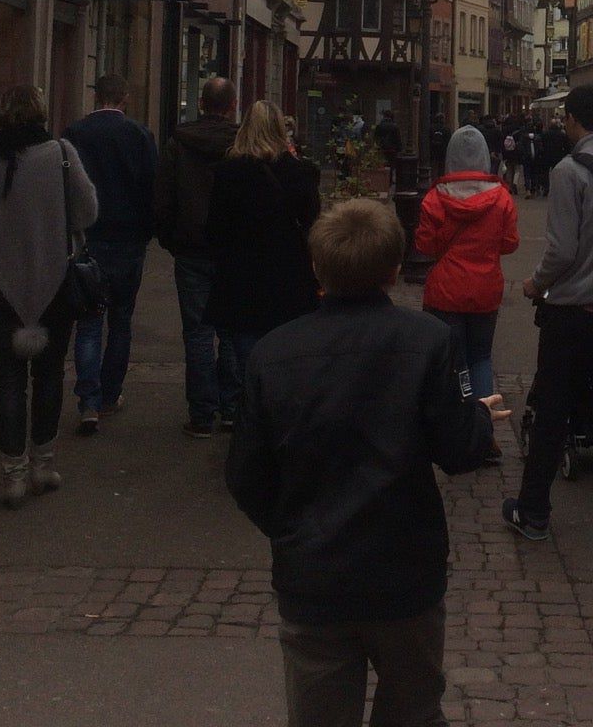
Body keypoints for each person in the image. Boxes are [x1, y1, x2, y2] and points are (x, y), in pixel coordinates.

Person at [227, 198, 507, 727]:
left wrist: (292, 526)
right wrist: (479, 419)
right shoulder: (427, 340)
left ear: (317, 269)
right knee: (413, 708)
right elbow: (459, 450)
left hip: (315, 574)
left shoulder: (273, 353)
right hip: (404, 569)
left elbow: (246, 474)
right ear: (395, 270)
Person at [504, 84, 593, 562]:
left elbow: (562, 250)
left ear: (570, 120)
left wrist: (535, 283)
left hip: (574, 314)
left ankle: (533, 514)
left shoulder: (569, 171)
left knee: (553, 412)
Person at [0, 85, 99, 506]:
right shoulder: (61, 154)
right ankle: (43, 464)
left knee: (6, 381)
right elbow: (88, 212)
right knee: (49, 374)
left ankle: (13, 475)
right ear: (41, 114)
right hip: (53, 280)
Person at [205, 101, 322, 397]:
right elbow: (312, 223)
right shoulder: (301, 173)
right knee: (287, 355)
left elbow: (215, 230)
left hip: (242, 278)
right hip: (288, 277)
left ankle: (249, 414)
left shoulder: (228, 172)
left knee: (247, 355)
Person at [64, 74, 159, 436]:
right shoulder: (139, 136)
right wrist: (147, 230)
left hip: (89, 239)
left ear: (96, 96)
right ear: (125, 99)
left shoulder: (75, 134)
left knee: (89, 321)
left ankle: (88, 400)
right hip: (129, 240)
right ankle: (109, 394)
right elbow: (152, 185)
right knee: (120, 319)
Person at [154, 76, 240, 438]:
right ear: (232, 105)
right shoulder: (241, 144)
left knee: (198, 332)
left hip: (192, 248)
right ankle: (233, 407)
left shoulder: (180, 143)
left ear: (202, 104)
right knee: (232, 330)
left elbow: (164, 196)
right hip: (233, 249)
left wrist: (171, 239)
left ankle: (202, 414)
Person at [417, 126, 520, 402]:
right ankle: (483, 420)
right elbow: (510, 243)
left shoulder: (435, 198)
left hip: (445, 291)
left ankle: (458, 420)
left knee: (454, 360)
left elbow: (424, 246)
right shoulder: (501, 199)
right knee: (481, 357)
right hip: (486, 288)